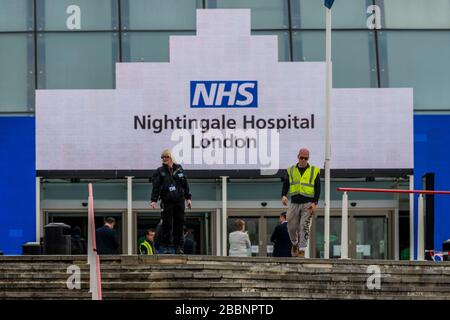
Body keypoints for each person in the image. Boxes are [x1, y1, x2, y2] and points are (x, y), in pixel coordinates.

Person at [150, 149, 192, 254]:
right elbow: (156, 186)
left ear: (171, 158)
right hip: (167, 200)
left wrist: (188, 198)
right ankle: (165, 247)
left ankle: (178, 247)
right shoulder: (160, 171)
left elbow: (185, 184)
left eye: (166, 157)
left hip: (179, 200)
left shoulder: (179, 169)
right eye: (162, 157)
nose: (164, 159)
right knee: (167, 224)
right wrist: (153, 200)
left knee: (179, 223)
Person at [281, 148, 321, 258]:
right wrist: (284, 195)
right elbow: (286, 184)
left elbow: (318, 188)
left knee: (304, 227)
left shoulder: (314, 170)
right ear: (298, 157)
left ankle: (302, 250)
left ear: (308, 158)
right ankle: (294, 243)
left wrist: (315, 203)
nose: (303, 160)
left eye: (306, 158)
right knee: (291, 226)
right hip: (294, 203)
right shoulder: (291, 170)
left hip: (307, 203)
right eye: (301, 157)